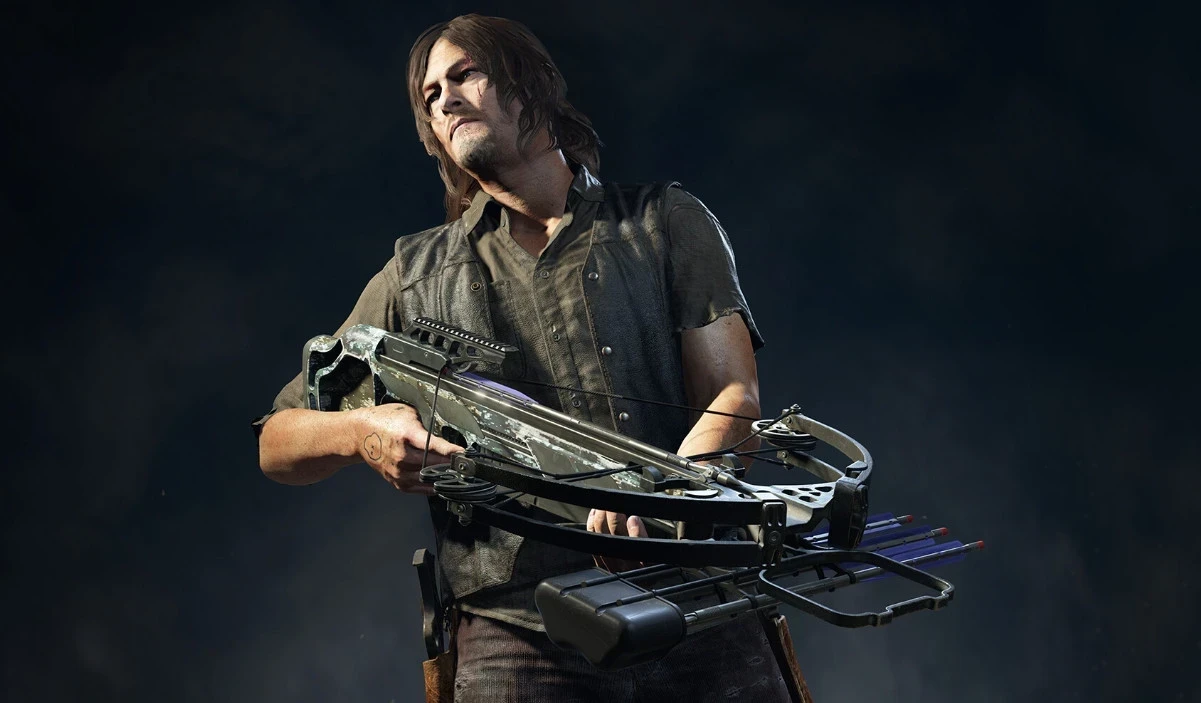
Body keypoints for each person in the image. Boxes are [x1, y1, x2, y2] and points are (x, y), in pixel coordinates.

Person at [253, 13, 810, 703]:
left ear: (530, 85)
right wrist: (362, 431)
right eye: (429, 95)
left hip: (698, 603)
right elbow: (276, 441)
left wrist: (666, 500)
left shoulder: (664, 221)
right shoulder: (413, 276)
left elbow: (733, 397)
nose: (444, 100)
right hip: (516, 633)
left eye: (464, 74)